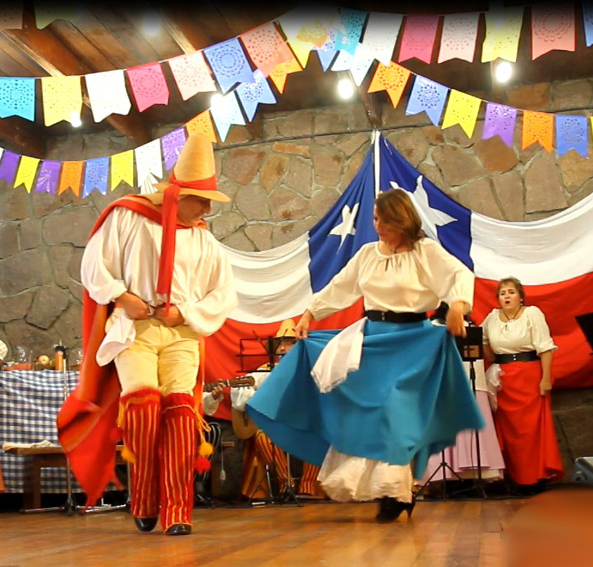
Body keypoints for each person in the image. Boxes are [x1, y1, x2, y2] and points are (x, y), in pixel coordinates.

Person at [246, 187, 485, 522]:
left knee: (395, 411)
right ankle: (394, 492)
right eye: (375, 219)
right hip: (373, 340)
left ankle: (395, 491)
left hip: (412, 342)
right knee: (366, 411)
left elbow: (458, 274)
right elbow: (341, 286)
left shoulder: (425, 252)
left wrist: (458, 304)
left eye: (383, 220)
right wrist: (310, 313)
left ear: (402, 221)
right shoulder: (368, 254)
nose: (377, 226)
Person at [57, 133, 237, 535]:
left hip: (182, 334)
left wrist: (185, 312)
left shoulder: (204, 239)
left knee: (181, 413)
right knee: (141, 407)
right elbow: (94, 265)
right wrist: (123, 297)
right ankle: (143, 498)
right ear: (178, 195)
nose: (207, 208)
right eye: (202, 199)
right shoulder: (128, 217)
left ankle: (177, 509)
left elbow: (223, 294)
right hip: (134, 329)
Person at [481, 277, 564, 495]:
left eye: (511, 292)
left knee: (531, 431)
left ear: (520, 296)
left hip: (529, 377)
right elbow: (484, 343)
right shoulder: (492, 318)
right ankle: (517, 478)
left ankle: (535, 478)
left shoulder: (532, 314)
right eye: (502, 293)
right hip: (504, 381)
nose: (506, 296)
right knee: (510, 433)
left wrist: (546, 379)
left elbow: (545, 348)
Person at [420, 303, 505, 488]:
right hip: (447, 385)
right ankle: (450, 480)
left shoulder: (471, 326)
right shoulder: (435, 325)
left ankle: (472, 477)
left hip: (473, 383)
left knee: (473, 431)